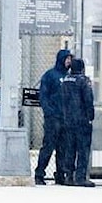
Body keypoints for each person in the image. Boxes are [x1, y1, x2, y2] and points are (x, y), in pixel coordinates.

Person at [34, 48, 71, 185]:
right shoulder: (50, 75)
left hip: (65, 118)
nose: (68, 61)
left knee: (63, 148)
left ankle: (60, 174)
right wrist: (49, 111)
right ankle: (39, 173)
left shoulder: (69, 76)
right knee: (48, 146)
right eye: (67, 59)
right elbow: (43, 95)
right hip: (53, 117)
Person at [59, 57, 95, 187]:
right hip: (82, 120)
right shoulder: (83, 81)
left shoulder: (65, 80)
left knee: (70, 148)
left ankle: (69, 175)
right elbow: (88, 100)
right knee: (83, 149)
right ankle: (80, 177)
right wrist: (90, 116)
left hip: (68, 119)